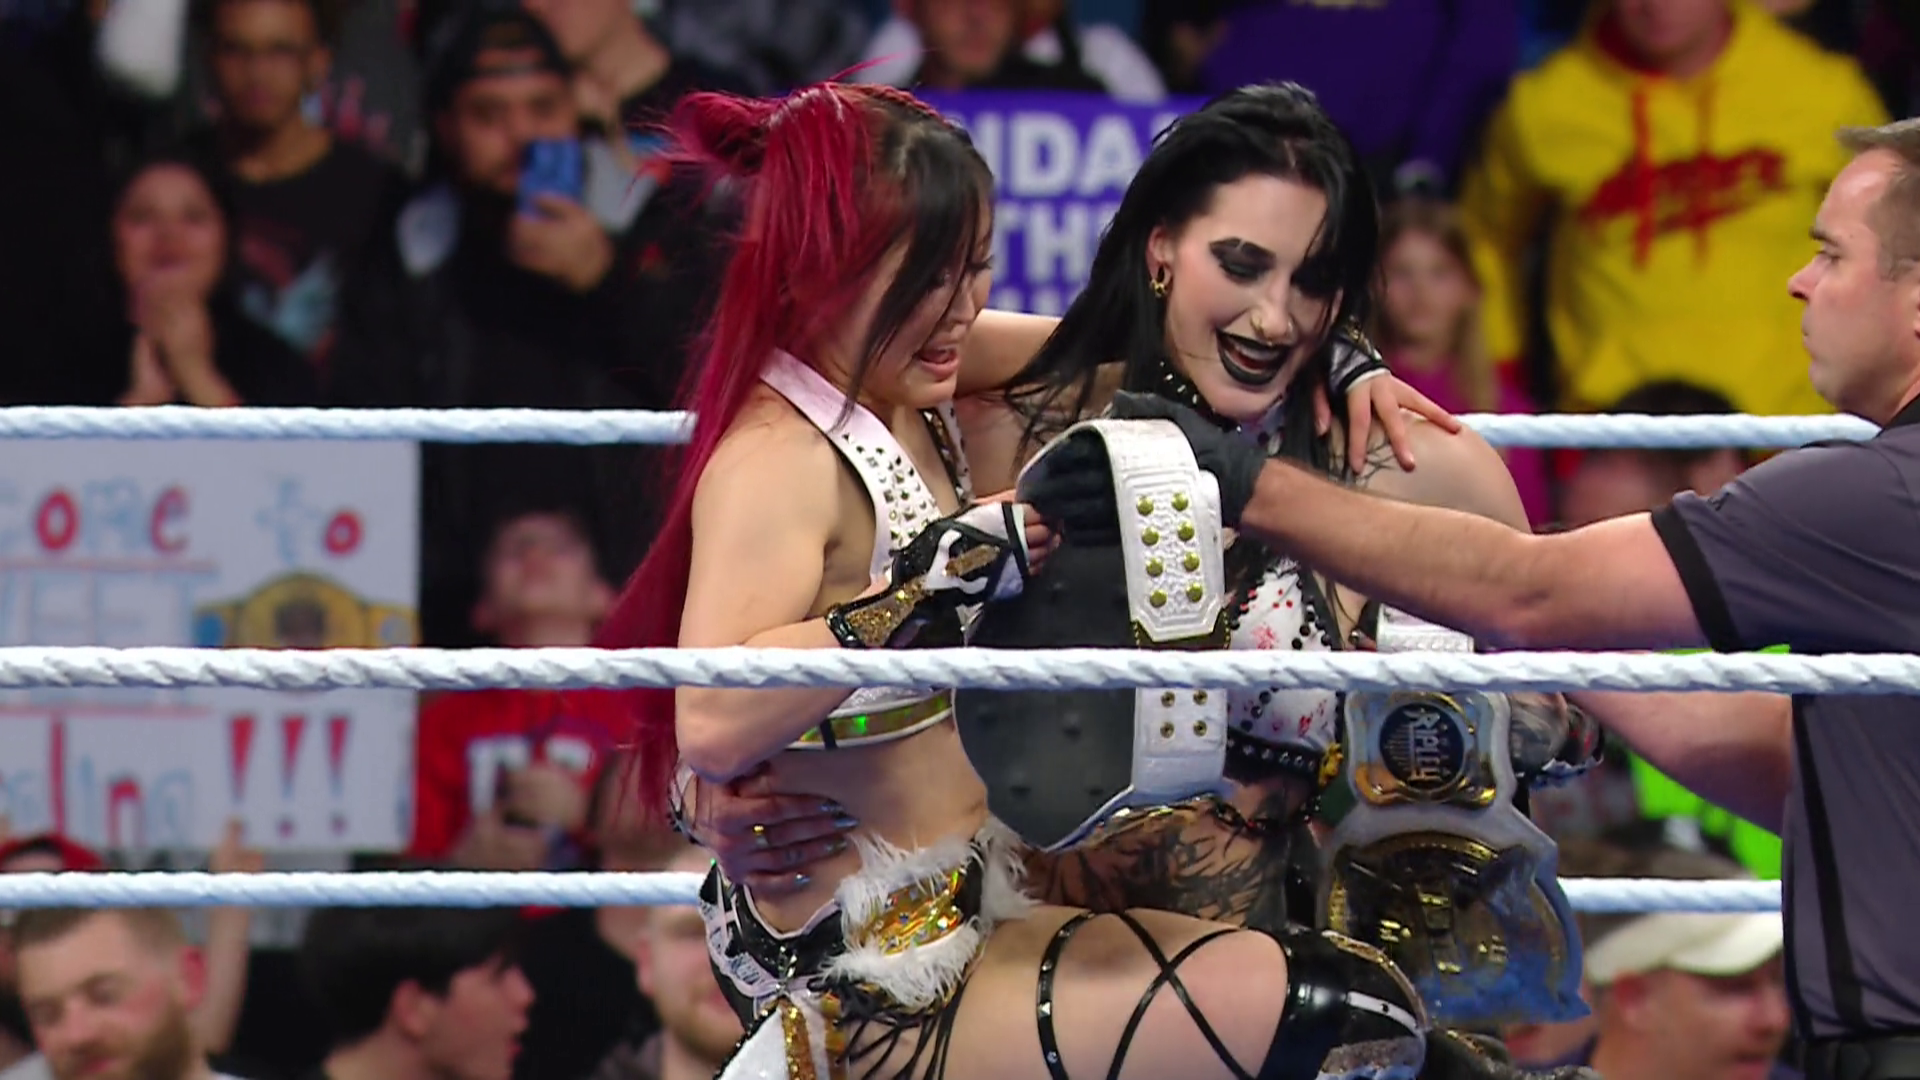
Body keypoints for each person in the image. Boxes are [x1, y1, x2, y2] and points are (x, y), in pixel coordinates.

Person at [598, 78, 1509, 1080]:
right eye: (930, 279)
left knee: (1375, 1019)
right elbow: (712, 716)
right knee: (1342, 1017)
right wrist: (927, 591)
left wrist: (1335, 347)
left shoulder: (915, 373)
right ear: (828, 273)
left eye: (975, 269)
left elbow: (1125, 343)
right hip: (878, 979)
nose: (963, 309)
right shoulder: (796, 450)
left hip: (995, 917)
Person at [1024, 117, 1920, 1080]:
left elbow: (1531, 590)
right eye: (1243, 265)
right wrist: (1525, 648)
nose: (1800, 280)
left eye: (1832, 253)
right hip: (1101, 954)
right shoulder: (1051, 422)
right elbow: (1790, 764)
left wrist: (1235, 477)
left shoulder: (1879, 495)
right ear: (1162, 251)